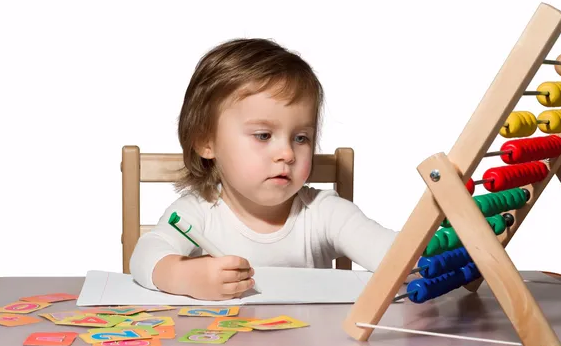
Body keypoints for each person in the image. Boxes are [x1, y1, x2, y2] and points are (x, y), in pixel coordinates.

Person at [129, 38, 399, 300]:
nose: (287, 153)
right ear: (206, 142)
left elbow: (395, 255)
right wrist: (184, 275)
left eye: (301, 138)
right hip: (223, 343)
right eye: (263, 135)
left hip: (309, 345)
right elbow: (144, 256)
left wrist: (432, 248)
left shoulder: (324, 212)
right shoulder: (197, 211)